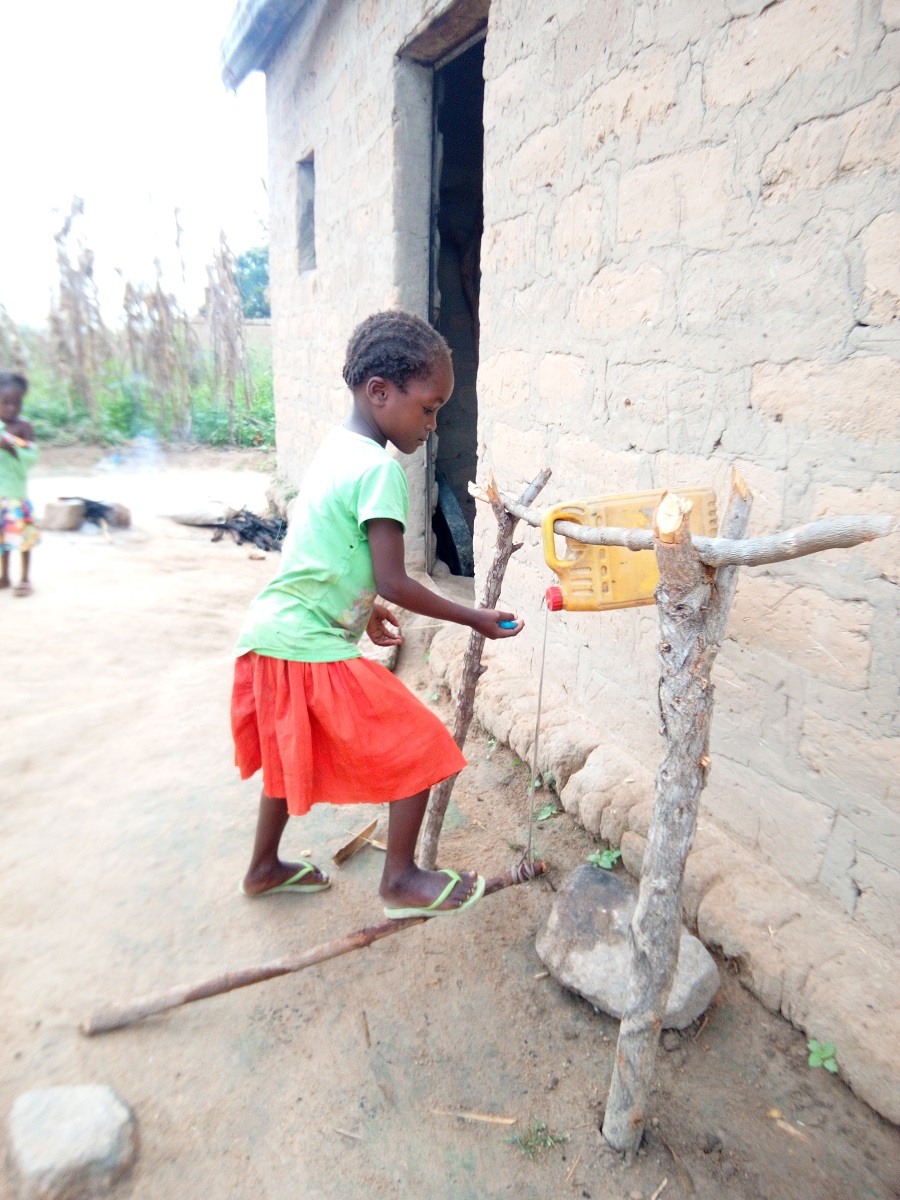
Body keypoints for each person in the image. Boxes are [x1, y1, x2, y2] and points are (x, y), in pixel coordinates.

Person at [232, 311, 523, 917]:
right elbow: (394, 574)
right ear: (380, 392)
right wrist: (472, 616)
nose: (433, 422)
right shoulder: (380, 470)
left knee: (295, 750)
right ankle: (400, 879)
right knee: (423, 744)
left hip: (270, 635)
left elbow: (327, 549)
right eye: (428, 407)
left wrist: (365, 611)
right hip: (306, 645)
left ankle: (264, 868)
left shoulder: (337, 451)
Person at [0, 372, 39, 598]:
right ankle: (4, 576)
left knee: (22, 538)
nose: (12, 408)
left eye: (17, 403)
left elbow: (32, 456)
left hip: (15, 494)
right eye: (5, 403)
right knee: (3, 539)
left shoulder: (23, 426)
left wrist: (13, 447)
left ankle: (25, 579)